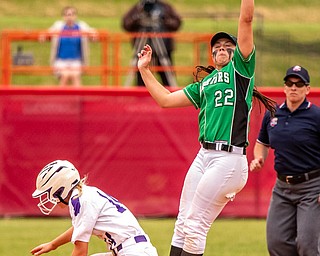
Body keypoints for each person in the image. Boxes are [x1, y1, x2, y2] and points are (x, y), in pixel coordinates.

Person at [137, 0, 276, 255]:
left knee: (195, 224)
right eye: (217, 47)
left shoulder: (241, 72)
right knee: (182, 223)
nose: (222, 49)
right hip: (204, 155)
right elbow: (166, 100)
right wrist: (145, 70)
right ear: (211, 56)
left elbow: (246, 20)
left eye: (228, 46)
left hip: (229, 158)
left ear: (237, 52)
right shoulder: (205, 84)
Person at [250, 65, 320, 256]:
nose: (294, 87)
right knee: (277, 243)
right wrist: (259, 158)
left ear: (307, 89)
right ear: (284, 87)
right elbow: (261, 143)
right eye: (290, 83)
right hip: (282, 187)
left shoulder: (316, 116)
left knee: (307, 245)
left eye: (299, 84)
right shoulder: (273, 114)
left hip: (312, 187)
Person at [30, 160, 158, 256]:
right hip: (135, 249)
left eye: (48, 192)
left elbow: (80, 251)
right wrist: (53, 245)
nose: (48, 197)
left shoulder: (79, 201)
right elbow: (80, 226)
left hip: (133, 251)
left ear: (60, 188)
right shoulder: (83, 194)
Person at [122, 0, 182, 87]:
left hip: (163, 47)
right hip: (142, 50)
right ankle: (141, 96)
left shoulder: (165, 7)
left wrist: (164, 19)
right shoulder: (138, 7)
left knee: (166, 74)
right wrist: (136, 18)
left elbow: (177, 23)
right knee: (141, 74)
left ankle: (171, 96)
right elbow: (126, 24)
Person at [47, 6, 96, 87]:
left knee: (75, 76)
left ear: (75, 16)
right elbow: (46, 34)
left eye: (72, 14)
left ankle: (78, 99)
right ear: (63, 17)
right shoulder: (58, 26)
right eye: (67, 15)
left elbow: (94, 33)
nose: (69, 17)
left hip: (76, 61)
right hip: (61, 61)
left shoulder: (81, 26)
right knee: (65, 75)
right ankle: (61, 98)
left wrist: (93, 36)